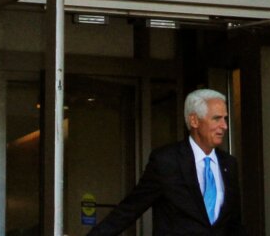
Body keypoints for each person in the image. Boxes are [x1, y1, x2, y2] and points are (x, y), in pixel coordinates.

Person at [87, 88, 246, 236]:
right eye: (217, 118)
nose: (224, 126)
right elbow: (129, 210)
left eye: (225, 118)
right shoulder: (167, 161)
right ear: (194, 121)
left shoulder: (229, 164)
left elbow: (234, 222)